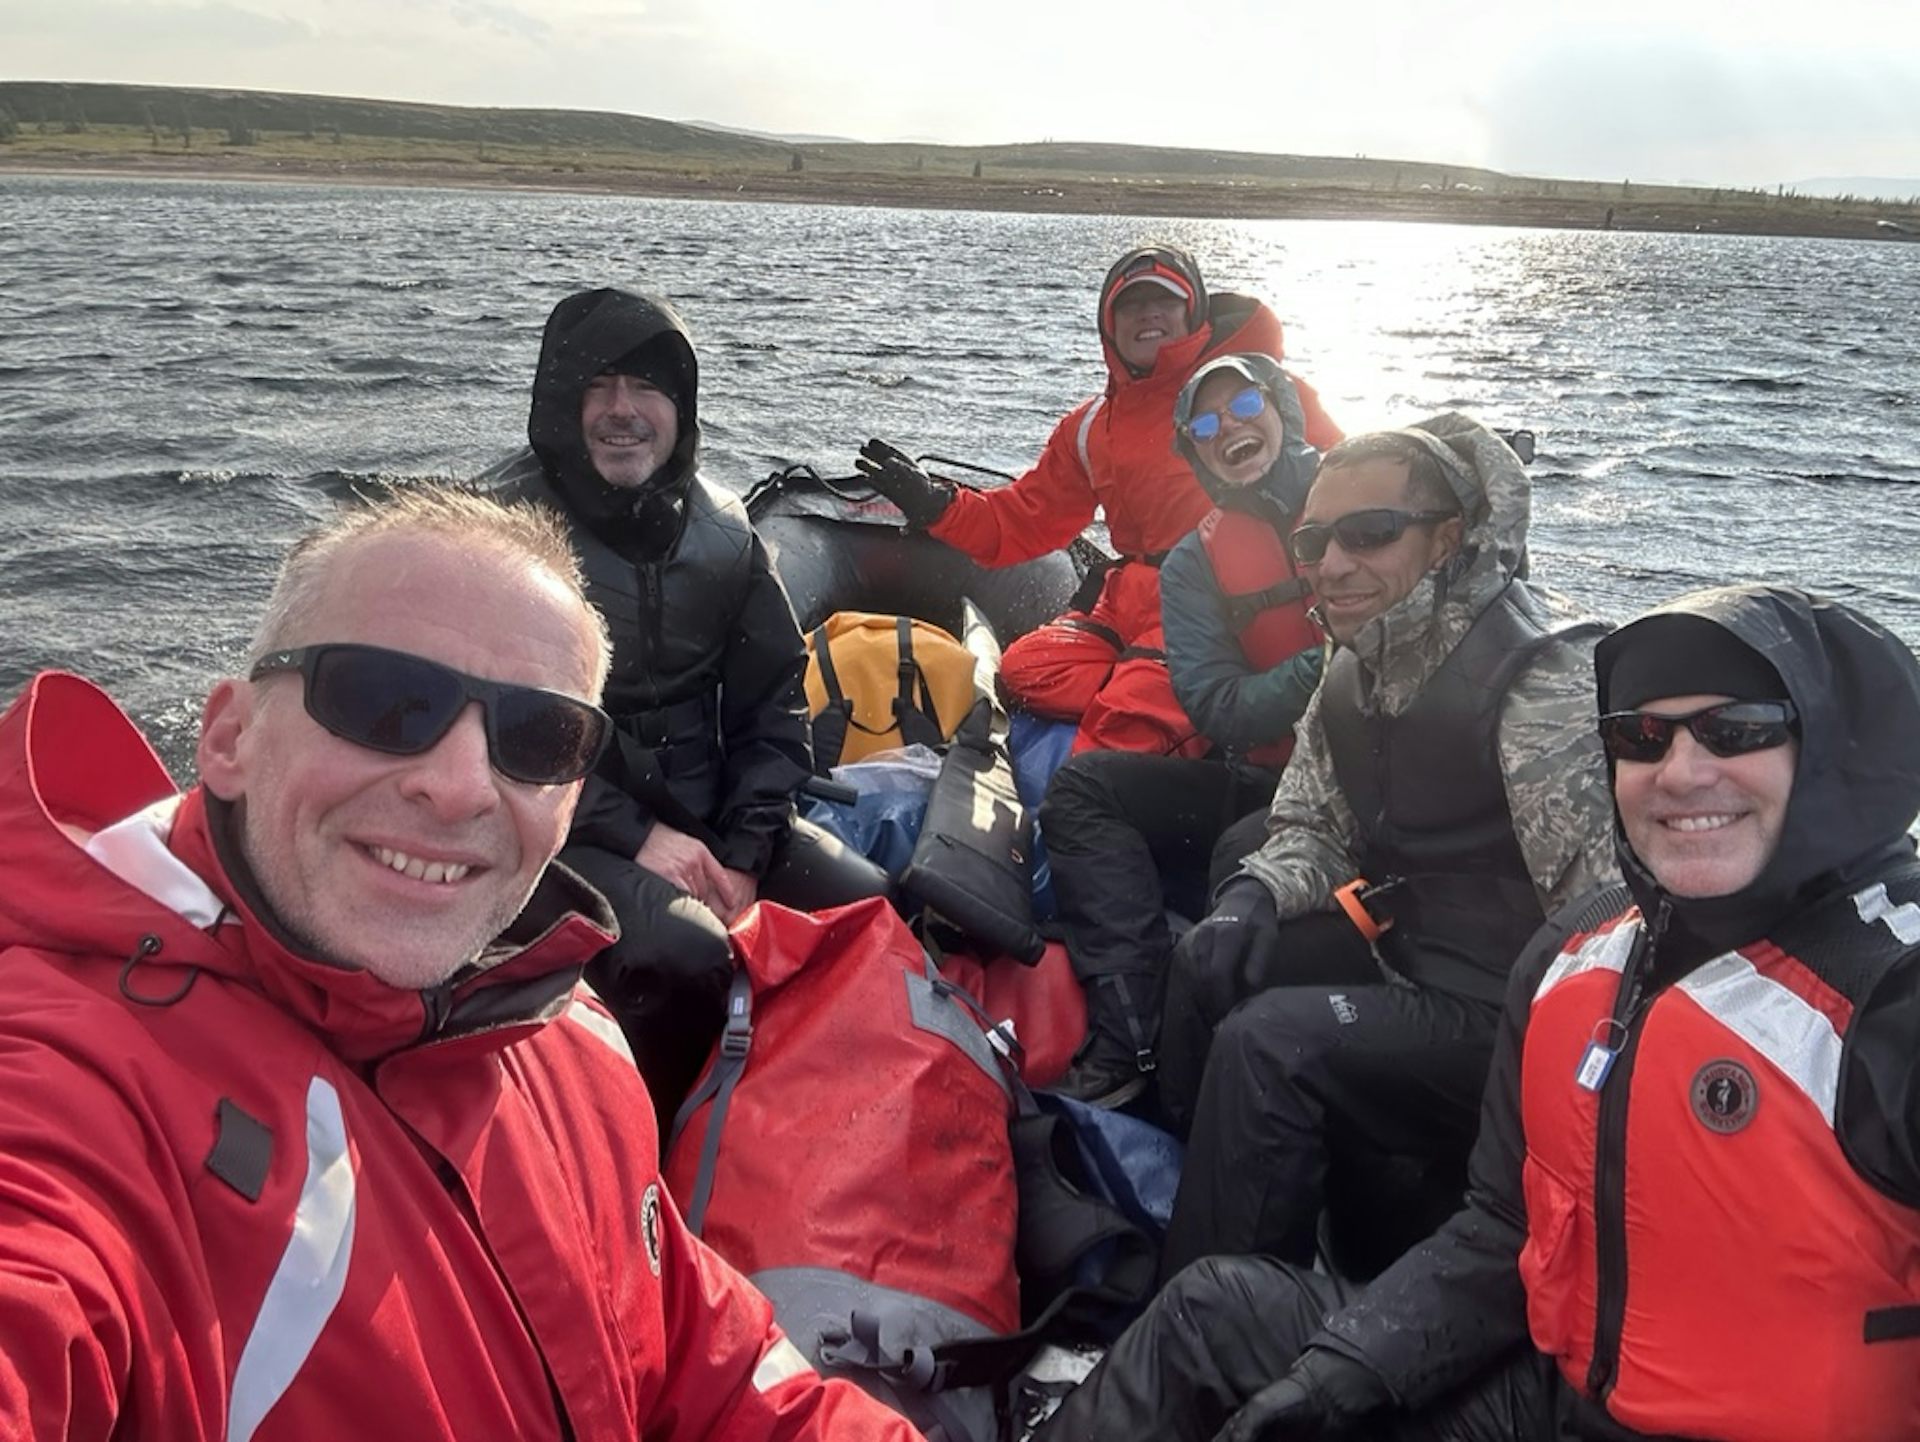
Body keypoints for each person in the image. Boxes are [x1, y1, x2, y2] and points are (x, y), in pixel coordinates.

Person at [0, 488, 921, 1440]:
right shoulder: (75, 1080)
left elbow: (713, 1373)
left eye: (539, 738)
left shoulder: (571, 1033)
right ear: (228, 738)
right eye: (381, 701)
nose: (458, 787)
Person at [1035, 583, 1920, 1442]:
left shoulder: (1889, 999)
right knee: (1211, 1316)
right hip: (1552, 1391)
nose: (1682, 773)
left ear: (1833, 748)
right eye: (1640, 736)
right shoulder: (1580, 953)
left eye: (1738, 731)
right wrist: (1343, 1372)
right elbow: (1507, 1226)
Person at [1155, 417, 1617, 1281]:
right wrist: (1254, 896)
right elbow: (1311, 821)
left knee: (1271, 1043)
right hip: (1413, 957)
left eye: (1369, 534)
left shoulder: (1542, 686)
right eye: (1315, 540)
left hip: (1510, 1020)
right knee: (1214, 952)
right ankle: (1183, 1186)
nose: (1333, 564)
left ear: (1448, 538)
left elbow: (1611, 933)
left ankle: (1216, 1325)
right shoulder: (1356, 659)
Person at [482, 286, 886, 1121]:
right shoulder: (500, 537)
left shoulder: (726, 533)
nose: (622, 411)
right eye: (597, 385)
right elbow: (490, 727)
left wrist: (744, 847)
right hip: (555, 824)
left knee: (866, 900)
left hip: (711, 816)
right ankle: (646, 1150)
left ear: (682, 404)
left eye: (647, 387)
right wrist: (637, 836)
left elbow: (773, 704)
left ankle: (812, 1128)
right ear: (561, 399)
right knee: (684, 955)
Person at [854, 243, 1341, 757]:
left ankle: (1166, 715)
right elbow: (1023, 519)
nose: (1149, 314)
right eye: (1132, 305)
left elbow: (1346, 482)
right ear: (1109, 327)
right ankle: (1167, 701)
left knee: (1124, 730)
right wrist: (938, 506)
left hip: (1215, 605)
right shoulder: (1089, 428)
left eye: (1166, 302)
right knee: (1024, 673)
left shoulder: (1263, 394)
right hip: (1125, 603)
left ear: (1193, 311)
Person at [1042, 353, 1327, 1107]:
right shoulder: (1196, 563)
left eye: (1243, 407)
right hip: (1267, 780)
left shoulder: (1360, 496)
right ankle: (1130, 1031)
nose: (1228, 428)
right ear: (1193, 451)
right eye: (1205, 423)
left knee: (1243, 858)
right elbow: (1218, 707)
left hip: (1378, 778)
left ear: (1280, 406)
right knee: (1082, 789)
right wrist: (1325, 669)